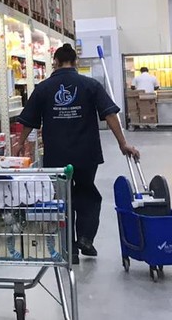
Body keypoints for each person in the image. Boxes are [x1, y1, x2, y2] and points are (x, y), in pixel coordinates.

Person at [14, 43, 140, 260]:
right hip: (86, 153)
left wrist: (19, 143)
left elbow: (29, 121)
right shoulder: (90, 85)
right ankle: (85, 238)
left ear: (54, 61)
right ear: (75, 62)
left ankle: (68, 248)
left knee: (62, 199)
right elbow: (110, 115)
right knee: (88, 194)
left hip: (56, 155)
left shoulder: (44, 88)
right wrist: (122, 143)